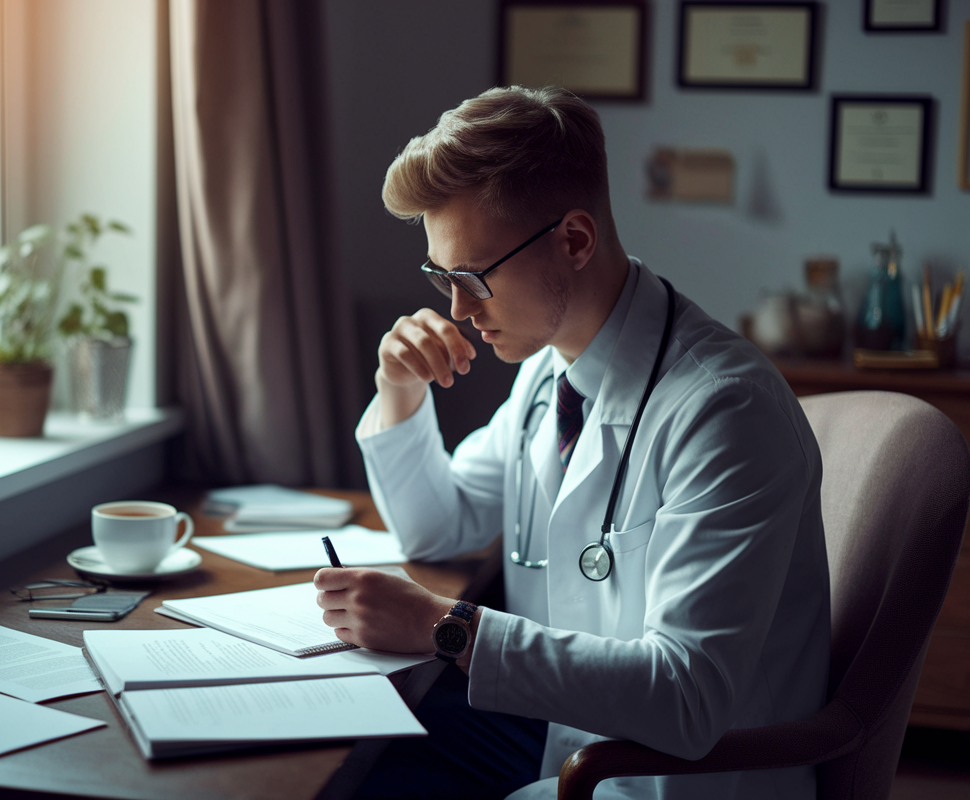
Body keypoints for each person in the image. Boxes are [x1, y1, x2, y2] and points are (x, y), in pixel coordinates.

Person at [314, 86, 830, 800]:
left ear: (575, 240)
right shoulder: (550, 372)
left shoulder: (725, 410)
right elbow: (441, 526)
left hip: (667, 781)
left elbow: (687, 698)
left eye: (471, 277)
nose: (458, 310)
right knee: (351, 765)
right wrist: (397, 389)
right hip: (570, 738)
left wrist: (447, 627)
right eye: (442, 277)